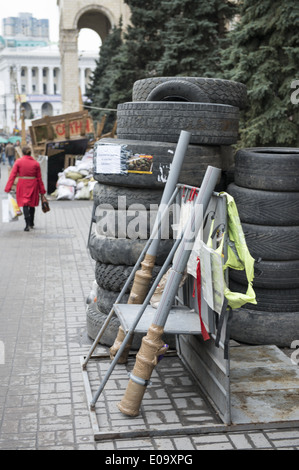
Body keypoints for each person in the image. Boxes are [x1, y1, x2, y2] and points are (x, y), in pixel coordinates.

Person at [4, 145, 47, 231]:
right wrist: (42, 190)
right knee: (31, 204)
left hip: (22, 184)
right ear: (30, 153)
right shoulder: (36, 163)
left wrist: (8, 188)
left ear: (23, 153)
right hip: (33, 184)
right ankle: (31, 222)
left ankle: (27, 224)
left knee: (25, 203)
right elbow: (39, 178)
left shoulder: (18, 162)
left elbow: (12, 175)